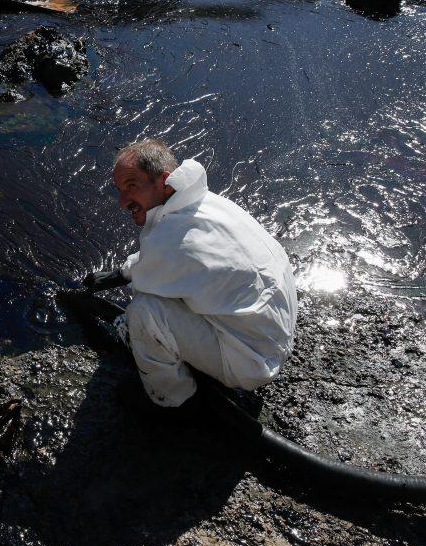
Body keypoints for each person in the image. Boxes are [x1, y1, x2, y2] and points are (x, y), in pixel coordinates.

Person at [79, 138, 297, 408]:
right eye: (119, 190)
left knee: (143, 312)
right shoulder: (209, 203)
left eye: (131, 186)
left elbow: (158, 266)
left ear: (165, 181)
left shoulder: (174, 238)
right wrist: (121, 273)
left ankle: (173, 400)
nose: (123, 201)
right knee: (167, 296)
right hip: (273, 331)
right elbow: (163, 259)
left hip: (249, 361)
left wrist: (123, 281)